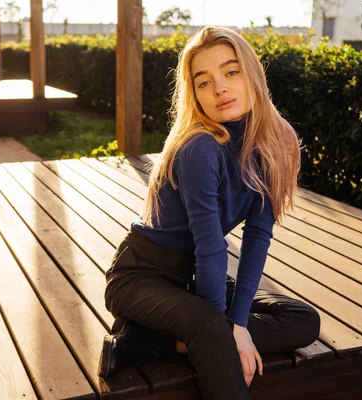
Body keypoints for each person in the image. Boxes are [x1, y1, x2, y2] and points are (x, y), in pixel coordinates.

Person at [98, 26, 321, 399]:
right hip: (140, 276)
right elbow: (210, 245)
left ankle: (146, 343)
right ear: (195, 95)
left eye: (230, 72)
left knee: (302, 320)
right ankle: (192, 334)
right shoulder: (201, 147)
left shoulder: (273, 141)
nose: (219, 88)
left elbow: (258, 236)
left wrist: (237, 322)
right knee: (212, 326)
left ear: (252, 74)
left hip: (193, 277)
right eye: (204, 82)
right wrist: (226, 328)